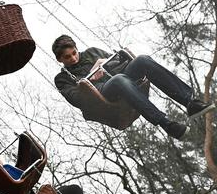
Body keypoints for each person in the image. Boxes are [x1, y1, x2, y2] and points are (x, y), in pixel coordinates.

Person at [52, 35, 214, 139]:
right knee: (119, 80)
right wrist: (88, 81)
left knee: (142, 60)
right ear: (60, 59)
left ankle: (189, 102)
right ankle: (166, 124)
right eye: (68, 57)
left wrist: (105, 63)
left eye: (74, 52)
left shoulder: (92, 52)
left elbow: (118, 62)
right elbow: (76, 99)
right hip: (101, 96)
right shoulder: (62, 79)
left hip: (118, 78)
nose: (73, 58)